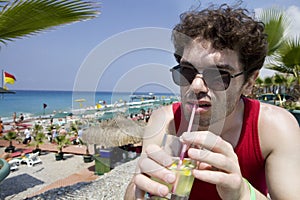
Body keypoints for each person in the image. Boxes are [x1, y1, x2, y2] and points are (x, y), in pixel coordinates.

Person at [125, 4, 300, 200]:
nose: (196, 86)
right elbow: (137, 189)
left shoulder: (276, 128)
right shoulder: (164, 122)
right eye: (187, 72)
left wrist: (241, 193)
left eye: (218, 76)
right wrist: (140, 189)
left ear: (249, 82)